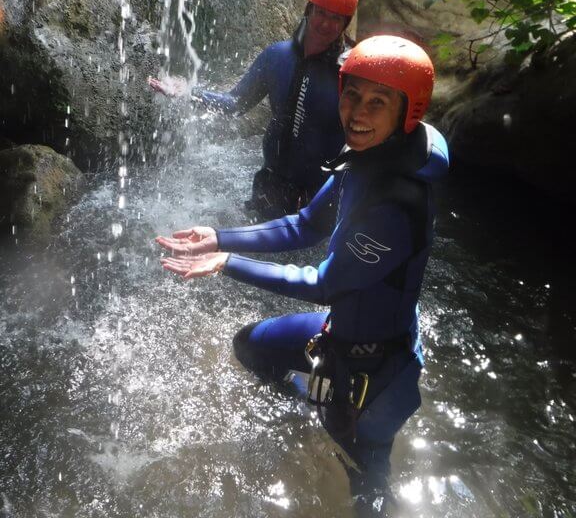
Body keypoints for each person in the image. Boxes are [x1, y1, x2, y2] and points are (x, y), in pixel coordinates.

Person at [156, 35, 449, 515]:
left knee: (369, 485)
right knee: (251, 345)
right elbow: (303, 224)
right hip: (338, 336)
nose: (357, 112)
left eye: (378, 102)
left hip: (379, 371)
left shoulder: (398, 204)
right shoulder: (364, 158)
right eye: (352, 94)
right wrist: (219, 236)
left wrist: (228, 265)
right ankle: (315, 408)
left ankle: (336, 419)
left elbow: (324, 283)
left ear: (407, 112)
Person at [148, 0, 359, 219]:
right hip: (271, 185)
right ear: (309, 10)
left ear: (345, 24)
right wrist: (188, 93)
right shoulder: (277, 56)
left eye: (335, 18)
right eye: (321, 12)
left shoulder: (352, 73)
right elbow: (235, 104)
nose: (325, 23)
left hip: (322, 196)